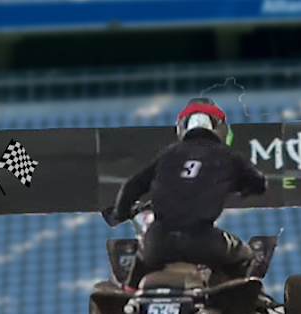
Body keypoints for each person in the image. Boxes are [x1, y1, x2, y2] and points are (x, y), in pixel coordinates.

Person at [109, 98, 269, 291]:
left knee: (141, 258)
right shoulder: (228, 156)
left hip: (159, 242)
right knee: (244, 255)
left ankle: (130, 295)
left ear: (182, 127)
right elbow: (259, 183)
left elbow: (130, 186)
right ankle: (231, 300)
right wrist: (240, 187)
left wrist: (120, 213)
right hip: (204, 242)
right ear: (220, 127)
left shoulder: (168, 154)